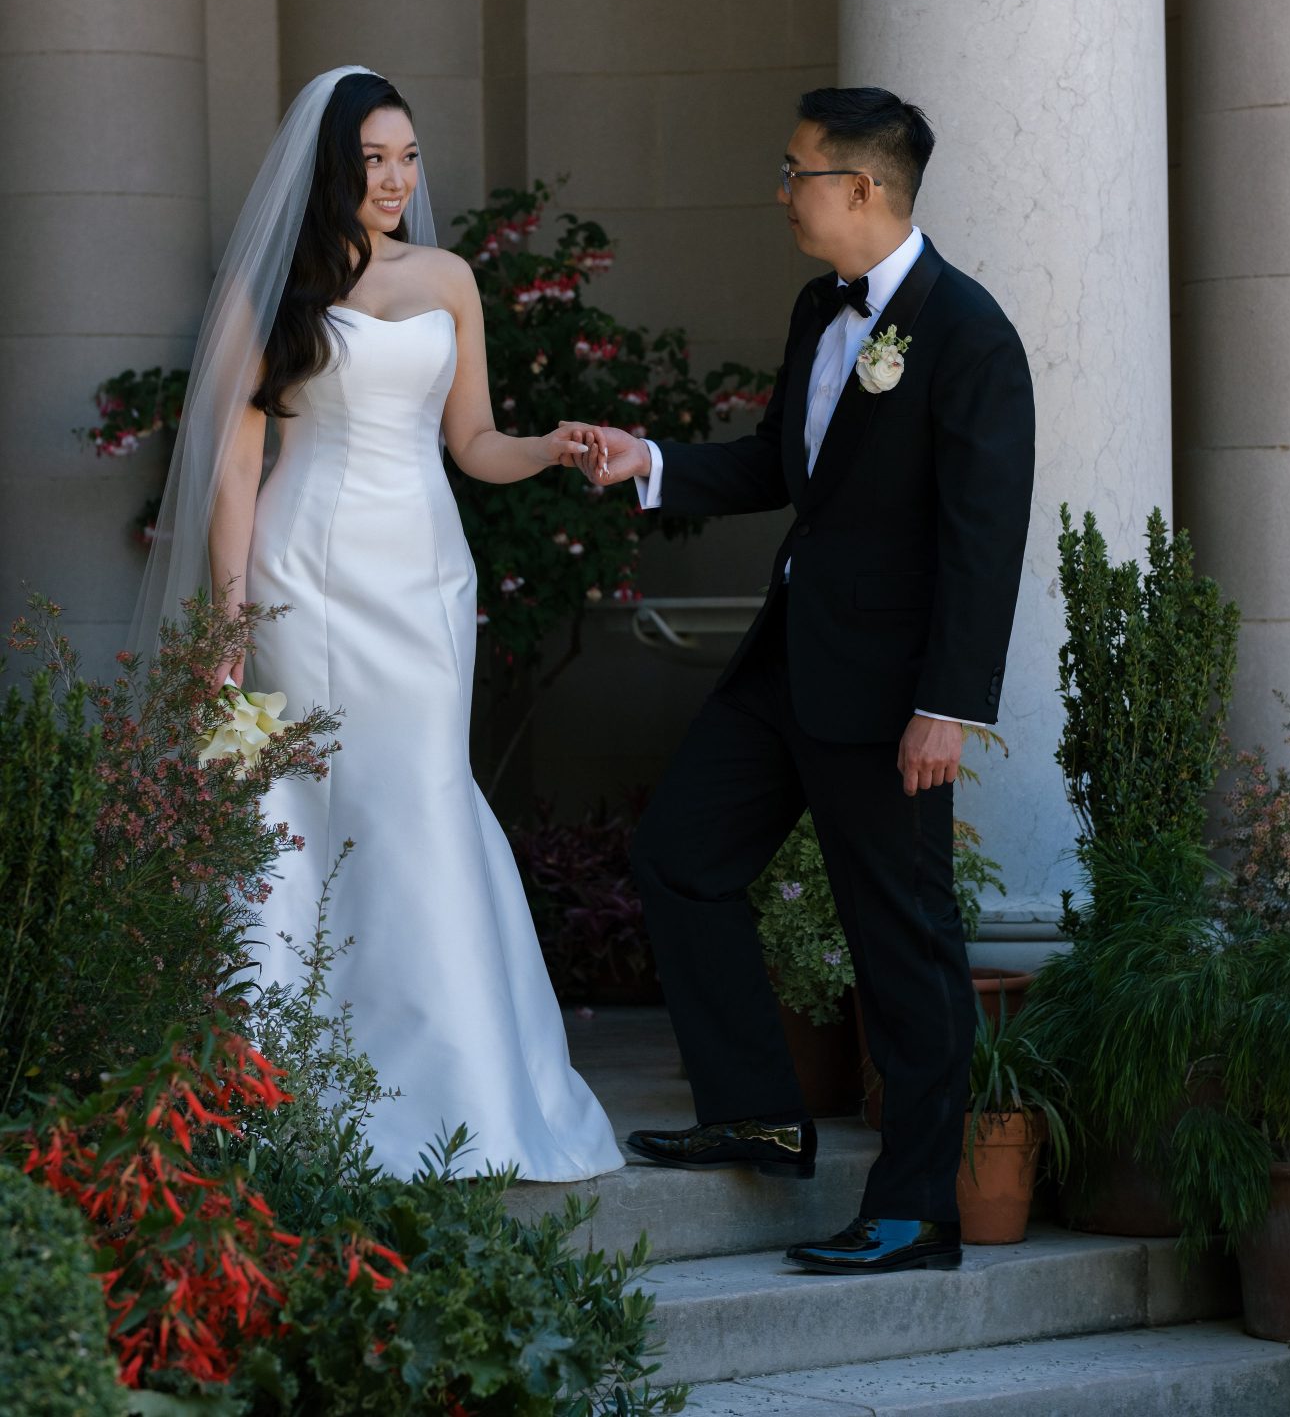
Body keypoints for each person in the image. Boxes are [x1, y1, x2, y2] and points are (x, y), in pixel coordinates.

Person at [131, 66, 623, 1183]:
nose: (396, 180)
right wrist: (225, 635)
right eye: (372, 161)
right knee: (309, 805)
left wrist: (550, 447)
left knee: (424, 792)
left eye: (407, 158)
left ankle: (461, 1095)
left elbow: (473, 442)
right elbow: (236, 468)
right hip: (306, 571)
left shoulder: (449, 277)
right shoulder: (273, 288)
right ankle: (292, 1086)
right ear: (330, 169)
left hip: (426, 576)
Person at [582, 86, 1035, 1272]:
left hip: (892, 699)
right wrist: (651, 461)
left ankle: (917, 1210)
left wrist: (947, 706)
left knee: (903, 943)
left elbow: (984, 540)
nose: (781, 192)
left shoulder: (970, 335)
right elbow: (783, 466)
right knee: (679, 855)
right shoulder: (816, 310)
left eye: (797, 172)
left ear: (862, 188)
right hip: (786, 664)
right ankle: (757, 1114)